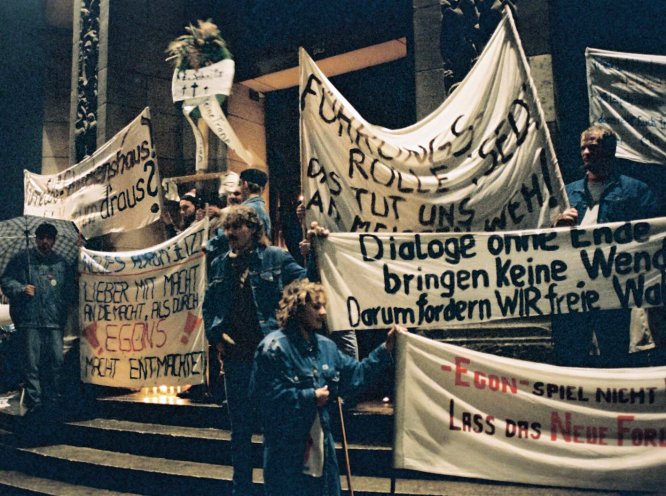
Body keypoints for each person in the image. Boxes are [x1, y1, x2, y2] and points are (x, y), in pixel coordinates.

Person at [202, 206, 323, 495]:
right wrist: (214, 335)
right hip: (235, 359)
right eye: (227, 228)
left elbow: (308, 285)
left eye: (237, 227)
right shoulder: (220, 264)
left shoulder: (275, 258)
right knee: (240, 431)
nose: (229, 233)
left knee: (274, 428)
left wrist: (314, 251)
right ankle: (240, 490)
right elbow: (209, 305)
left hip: (270, 359)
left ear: (254, 230)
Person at [250, 279, 404, 496]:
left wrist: (386, 348)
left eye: (324, 306)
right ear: (297, 307)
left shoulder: (327, 347)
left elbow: (356, 376)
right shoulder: (273, 348)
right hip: (286, 452)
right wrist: (308, 397)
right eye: (316, 306)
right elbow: (263, 401)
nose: (323, 312)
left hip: (322, 450)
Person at [553, 124, 660, 367]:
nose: (587, 153)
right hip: (576, 290)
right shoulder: (567, 194)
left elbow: (653, 240)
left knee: (615, 353)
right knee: (575, 354)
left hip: (617, 291)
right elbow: (549, 243)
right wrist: (557, 226)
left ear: (610, 151)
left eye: (593, 147)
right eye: (584, 148)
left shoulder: (635, 191)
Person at [0, 223, 76, 413]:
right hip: (29, 321)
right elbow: (6, 281)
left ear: (54, 240)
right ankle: (35, 403)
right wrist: (21, 288)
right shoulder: (21, 260)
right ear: (35, 238)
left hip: (54, 322)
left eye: (49, 238)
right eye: (41, 237)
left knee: (56, 362)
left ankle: (51, 400)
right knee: (31, 365)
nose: (45, 242)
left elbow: (69, 291)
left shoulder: (61, 263)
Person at [240, 168, 272, 239]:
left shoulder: (246, 209)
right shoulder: (262, 208)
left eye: (240, 184)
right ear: (263, 188)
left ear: (245, 184)